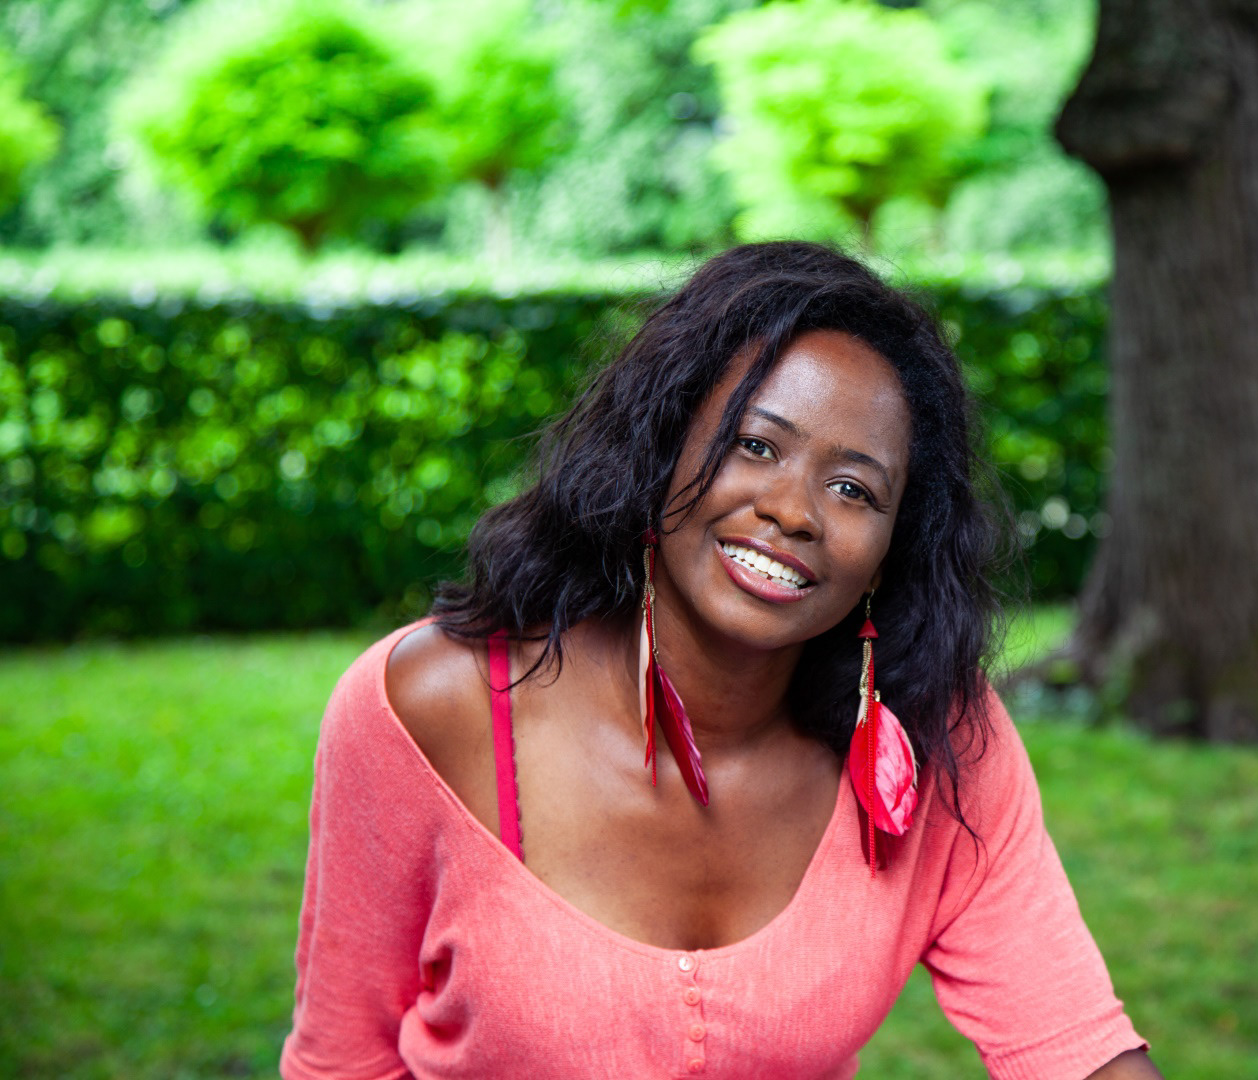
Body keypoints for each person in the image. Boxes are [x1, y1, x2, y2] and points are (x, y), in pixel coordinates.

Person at [280, 241, 1159, 1080]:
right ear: (661, 448)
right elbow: (341, 1062)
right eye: (756, 445)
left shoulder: (936, 736)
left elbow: (1075, 1045)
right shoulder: (436, 705)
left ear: (891, 549)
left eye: (853, 489)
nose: (793, 511)